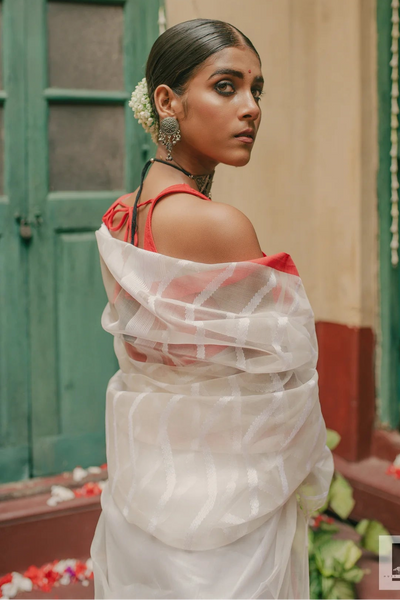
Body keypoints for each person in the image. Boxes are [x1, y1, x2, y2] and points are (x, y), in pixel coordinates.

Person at [90, 18, 334, 600]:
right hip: (229, 511)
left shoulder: (121, 219)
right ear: (167, 102)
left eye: (257, 90)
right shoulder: (221, 225)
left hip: (143, 496)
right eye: (226, 86)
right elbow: (285, 381)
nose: (250, 108)